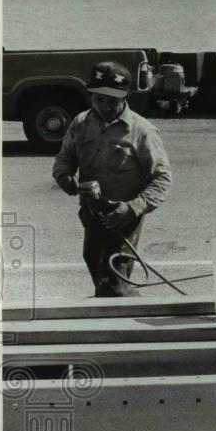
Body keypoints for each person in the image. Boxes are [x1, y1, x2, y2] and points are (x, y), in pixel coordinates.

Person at [53, 61, 172, 297]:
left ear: (125, 97)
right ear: (91, 95)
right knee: (94, 262)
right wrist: (64, 176)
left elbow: (162, 178)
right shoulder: (81, 124)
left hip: (124, 216)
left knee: (114, 279)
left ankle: (121, 320)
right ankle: (118, 306)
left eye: (112, 101)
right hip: (92, 212)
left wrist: (132, 208)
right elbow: (64, 158)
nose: (105, 106)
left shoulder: (141, 130)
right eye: (99, 99)